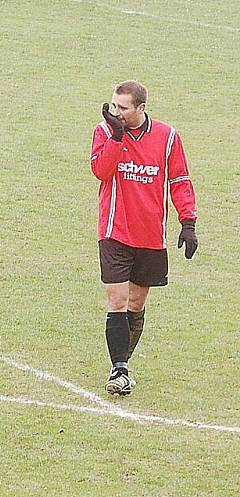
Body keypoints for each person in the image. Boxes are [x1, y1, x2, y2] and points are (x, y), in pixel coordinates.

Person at [90, 80, 198, 395]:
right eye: (114, 105)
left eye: (123, 108)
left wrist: (188, 221)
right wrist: (117, 138)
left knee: (135, 303)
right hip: (114, 231)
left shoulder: (167, 137)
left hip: (150, 236)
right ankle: (118, 370)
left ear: (141, 108)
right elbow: (101, 170)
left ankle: (122, 363)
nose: (116, 112)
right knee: (118, 300)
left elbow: (179, 179)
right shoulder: (105, 131)